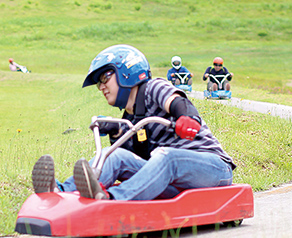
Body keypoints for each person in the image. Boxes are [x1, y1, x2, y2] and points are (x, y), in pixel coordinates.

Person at [31, 44, 235, 200]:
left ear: (125, 72)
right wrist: (116, 133)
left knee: (167, 156)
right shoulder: (129, 119)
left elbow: (178, 102)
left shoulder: (154, 88)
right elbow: (140, 160)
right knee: (116, 155)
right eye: (98, 83)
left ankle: (112, 199)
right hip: (173, 178)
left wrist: (187, 118)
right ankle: (61, 192)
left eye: (104, 78)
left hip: (212, 167)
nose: (101, 87)